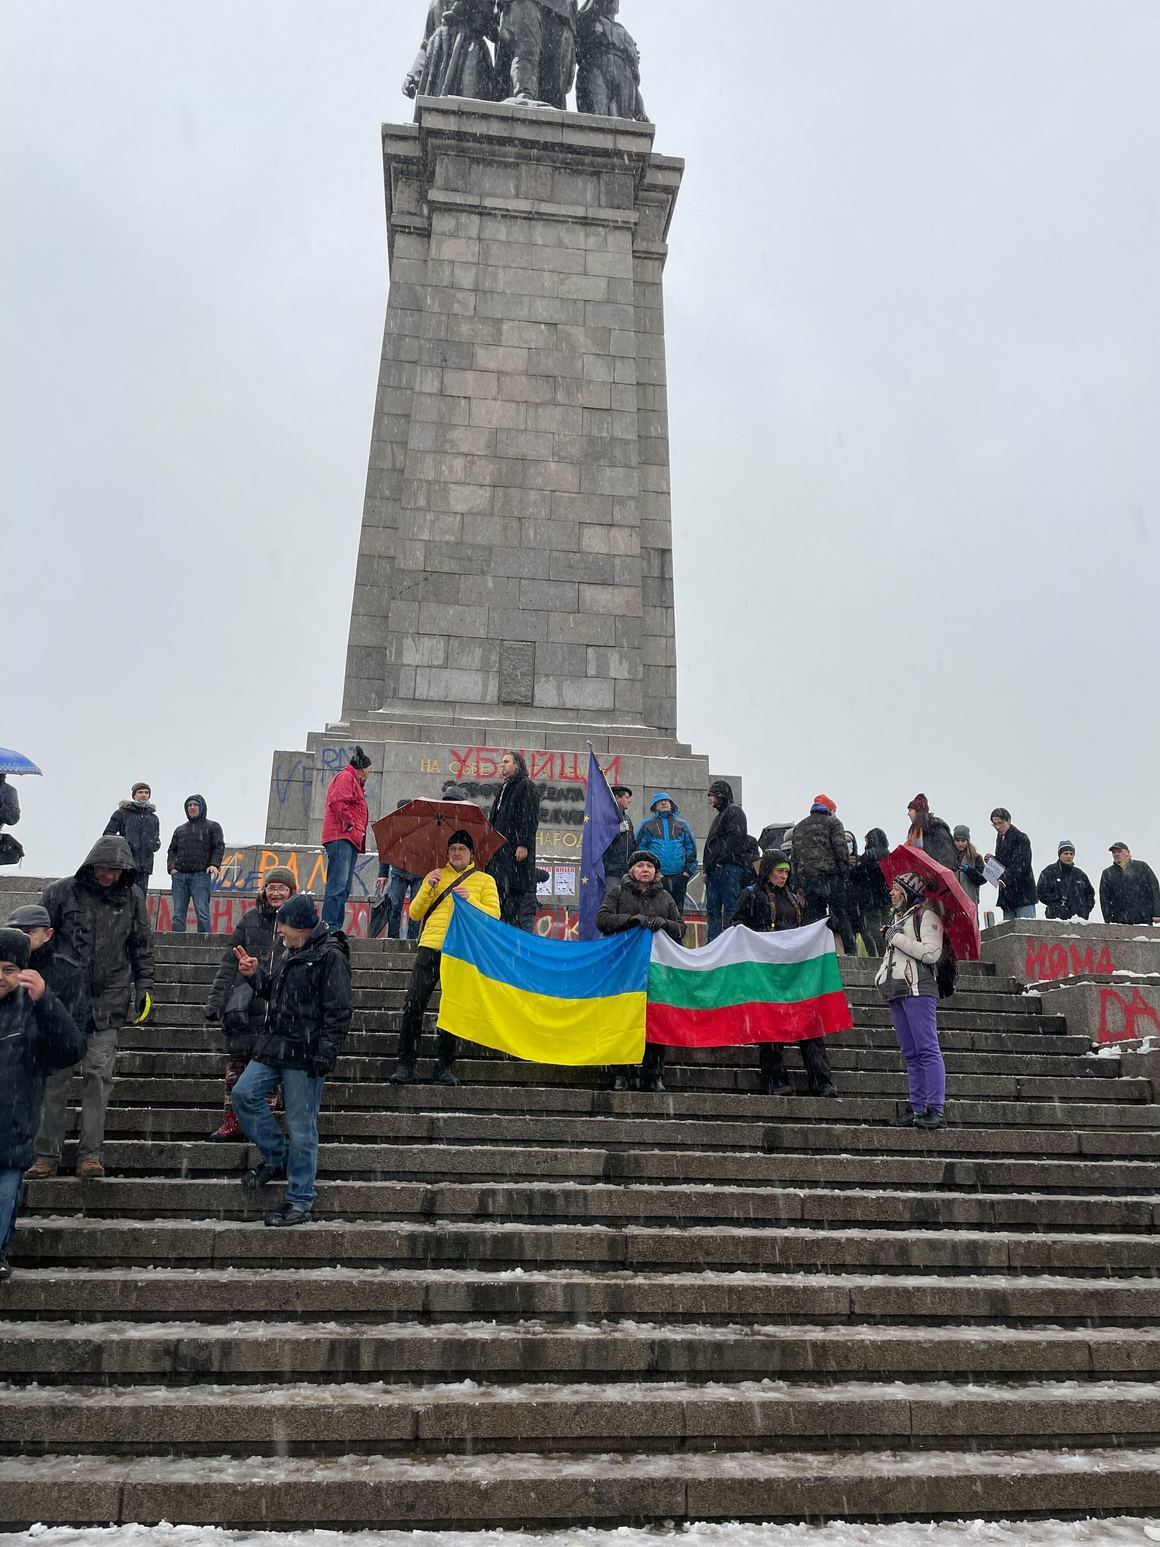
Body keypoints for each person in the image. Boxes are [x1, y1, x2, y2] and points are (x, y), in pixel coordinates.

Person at [27, 835, 154, 1181]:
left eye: (115, 869)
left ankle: (90, 1154)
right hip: (63, 1001)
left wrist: (145, 986)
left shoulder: (132, 898)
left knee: (99, 1078)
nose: (108, 874)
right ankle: (45, 1154)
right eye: (103, 867)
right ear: (91, 862)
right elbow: (36, 940)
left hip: (109, 999)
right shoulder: (59, 893)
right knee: (55, 1079)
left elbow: (141, 946)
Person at [232, 894, 352, 1228]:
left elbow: (339, 1012)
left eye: (283, 926)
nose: (279, 932)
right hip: (276, 1046)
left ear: (300, 925)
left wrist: (325, 1053)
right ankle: (277, 1156)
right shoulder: (292, 950)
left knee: (302, 1129)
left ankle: (300, 1199)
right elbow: (277, 993)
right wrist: (255, 976)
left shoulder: (331, 956)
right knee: (243, 1095)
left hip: (306, 1054)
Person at [0, 927, 86, 1282]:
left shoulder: (35, 1008)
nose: (0, 977)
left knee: (5, 1199)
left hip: (14, 1126)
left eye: (7, 969)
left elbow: (71, 1049)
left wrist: (48, 1001)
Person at [388, 831, 501, 1086]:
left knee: (452, 1009)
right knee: (413, 1003)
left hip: (461, 951)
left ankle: (445, 1066)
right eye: (452, 849)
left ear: (472, 854)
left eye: (462, 848)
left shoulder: (484, 881)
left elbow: (494, 916)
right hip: (430, 946)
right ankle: (405, 1064)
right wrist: (428, 887)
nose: (456, 853)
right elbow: (415, 914)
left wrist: (470, 899)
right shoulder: (434, 875)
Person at [731, 850, 837, 1098]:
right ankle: (775, 1080)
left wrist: (825, 924)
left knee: (809, 1024)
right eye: (780, 871)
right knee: (770, 1027)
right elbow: (736, 925)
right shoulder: (751, 895)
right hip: (765, 971)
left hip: (793, 971)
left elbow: (803, 929)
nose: (784, 875)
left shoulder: (794, 898)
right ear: (768, 870)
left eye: (787, 871)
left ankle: (821, 1080)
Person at [204, 867, 297, 1141]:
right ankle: (231, 1122)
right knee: (236, 1070)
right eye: (272, 887)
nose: (276, 893)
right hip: (244, 1008)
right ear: (264, 891)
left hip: (277, 1011)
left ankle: (257, 1126)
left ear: (292, 891)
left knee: (266, 1076)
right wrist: (216, 1000)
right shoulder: (249, 920)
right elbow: (228, 962)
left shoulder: (297, 924)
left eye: (282, 888)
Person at [597, 850, 683, 1092]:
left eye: (649, 866)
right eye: (640, 865)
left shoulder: (665, 897)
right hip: (623, 968)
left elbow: (681, 929)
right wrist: (630, 920)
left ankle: (653, 1074)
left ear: (656, 872)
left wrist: (665, 924)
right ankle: (621, 1073)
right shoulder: (618, 892)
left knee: (655, 1020)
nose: (645, 869)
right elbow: (602, 919)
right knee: (621, 1020)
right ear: (632, 870)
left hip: (654, 970)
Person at [876, 872, 947, 1131]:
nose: (891, 893)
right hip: (897, 990)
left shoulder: (926, 915)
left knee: (927, 1048)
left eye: (896, 888)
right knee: (910, 1052)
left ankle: (935, 1108)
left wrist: (896, 938)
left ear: (907, 891)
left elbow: (931, 953)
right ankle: (918, 1107)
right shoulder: (901, 918)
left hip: (919, 989)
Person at [5, 904, 89, 1035]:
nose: (23, 937)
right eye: (16, 932)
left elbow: (75, 1034)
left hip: (50, 1043)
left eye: (29, 932)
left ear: (48, 934)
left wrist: (45, 999)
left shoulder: (67, 971)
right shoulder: (4, 965)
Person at [790, 795, 857, 956]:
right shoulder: (834, 823)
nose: (835, 814)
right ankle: (851, 952)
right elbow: (841, 852)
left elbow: (795, 857)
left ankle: (810, 953)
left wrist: (798, 883)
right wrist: (844, 876)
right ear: (829, 809)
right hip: (830, 877)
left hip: (808, 879)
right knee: (841, 914)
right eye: (834, 811)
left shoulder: (799, 826)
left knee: (812, 918)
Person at [487, 751, 540, 932]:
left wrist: (524, 844)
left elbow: (529, 818)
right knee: (499, 901)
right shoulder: (504, 787)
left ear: (517, 765)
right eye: (501, 762)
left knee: (512, 906)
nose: (502, 765)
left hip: (514, 856)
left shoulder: (526, 786)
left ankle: (511, 942)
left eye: (506, 762)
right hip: (500, 855)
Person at [320, 749, 372, 932]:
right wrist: (349, 824)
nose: (369, 772)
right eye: (368, 768)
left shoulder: (354, 781)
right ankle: (330, 926)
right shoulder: (346, 777)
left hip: (348, 839)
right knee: (338, 884)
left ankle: (335, 925)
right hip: (341, 836)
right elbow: (336, 802)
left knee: (344, 886)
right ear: (361, 768)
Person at [495, 0, 577, 109]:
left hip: (561, 12)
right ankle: (523, 94)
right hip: (528, 5)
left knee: (553, 69)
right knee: (527, 49)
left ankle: (533, 98)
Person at [576, 0, 646, 119]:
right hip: (595, 68)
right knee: (596, 118)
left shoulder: (625, 34)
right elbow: (586, 15)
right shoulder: (589, 20)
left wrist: (640, 110)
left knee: (624, 124)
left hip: (623, 75)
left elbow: (633, 78)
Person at [167, 795, 225, 934]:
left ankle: (204, 943)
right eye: (189, 805)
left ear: (202, 807)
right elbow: (172, 850)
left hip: (201, 876)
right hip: (179, 876)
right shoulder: (180, 829)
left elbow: (218, 847)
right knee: (178, 915)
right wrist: (172, 868)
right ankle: (176, 943)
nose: (192, 807)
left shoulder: (213, 826)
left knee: (202, 913)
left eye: (195, 805)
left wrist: (214, 865)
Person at [635, 792, 698, 915]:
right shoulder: (646, 824)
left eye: (667, 801)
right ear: (654, 806)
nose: (664, 803)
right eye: (660, 801)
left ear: (671, 804)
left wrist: (687, 872)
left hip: (679, 877)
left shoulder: (683, 825)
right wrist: (646, 872)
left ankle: (675, 934)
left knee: (677, 913)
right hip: (656, 877)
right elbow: (639, 849)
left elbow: (691, 848)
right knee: (655, 912)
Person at [702, 781, 750, 942]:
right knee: (714, 910)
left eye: (712, 795)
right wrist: (709, 868)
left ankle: (728, 945)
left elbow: (734, 840)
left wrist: (719, 860)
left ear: (721, 795)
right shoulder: (722, 815)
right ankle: (714, 945)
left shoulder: (734, 812)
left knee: (729, 909)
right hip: (718, 870)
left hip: (727, 868)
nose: (709, 799)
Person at [104, 783, 161, 898]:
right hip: (125, 864)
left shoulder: (153, 818)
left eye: (146, 792)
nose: (143, 795)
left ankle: (138, 916)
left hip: (145, 865)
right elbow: (108, 835)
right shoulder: (122, 813)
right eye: (140, 792)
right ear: (134, 795)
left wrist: (155, 845)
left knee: (139, 898)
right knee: (121, 896)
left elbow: (156, 838)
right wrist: (124, 845)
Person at [986, 809, 1036, 921]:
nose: (998, 827)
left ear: (1009, 821)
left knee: (1025, 931)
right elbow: (1006, 861)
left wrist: (1005, 878)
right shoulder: (1000, 838)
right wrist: (993, 860)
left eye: (1000, 823)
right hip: (1008, 895)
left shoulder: (1021, 838)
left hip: (1023, 893)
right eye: (995, 824)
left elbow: (1021, 863)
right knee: (1008, 932)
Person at [850, 829, 891, 957]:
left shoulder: (868, 856)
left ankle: (878, 955)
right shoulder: (888, 855)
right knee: (886, 927)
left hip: (870, 899)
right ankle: (888, 952)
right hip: (886, 899)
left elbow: (854, 875)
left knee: (873, 930)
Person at [1100, 844, 1160, 926]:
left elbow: (1154, 889)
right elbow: (1104, 898)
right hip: (1119, 919)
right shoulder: (1107, 873)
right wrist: (1108, 920)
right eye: (1114, 852)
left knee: (1142, 939)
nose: (1116, 854)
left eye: (1119, 851)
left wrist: (1157, 913)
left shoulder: (1142, 866)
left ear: (1128, 852)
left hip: (1143, 917)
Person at [1037, 843, 1096, 922]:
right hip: (1056, 919)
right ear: (1059, 855)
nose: (1069, 856)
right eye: (1066, 853)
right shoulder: (1049, 872)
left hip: (1079, 920)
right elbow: (1041, 893)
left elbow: (1090, 894)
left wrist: (1085, 910)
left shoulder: (1080, 874)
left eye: (1071, 854)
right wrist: (1056, 904)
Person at [905, 795, 959, 873]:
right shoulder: (915, 832)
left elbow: (947, 857)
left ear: (918, 811)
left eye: (910, 810)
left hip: (934, 876)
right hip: (921, 876)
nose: (908, 814)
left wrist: (935, 873)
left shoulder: (937, 828)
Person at [601, 785, 636, 892]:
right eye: (626, 797)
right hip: (611, 870)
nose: (629, 801)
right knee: (611, 900)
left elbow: (632, 843)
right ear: (617, 797)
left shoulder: (627, 818)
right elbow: (600, 837)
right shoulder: (605, 815)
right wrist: (616, 830)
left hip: (626, 870)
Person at [952, 825, 987, 910]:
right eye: (957, 840)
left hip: (970, 900)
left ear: (968, 841)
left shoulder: (976, 857)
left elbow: (983, 879)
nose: (960, 843)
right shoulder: (948, 857)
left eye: (963, 840)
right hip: (952, 900)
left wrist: (969, 871)